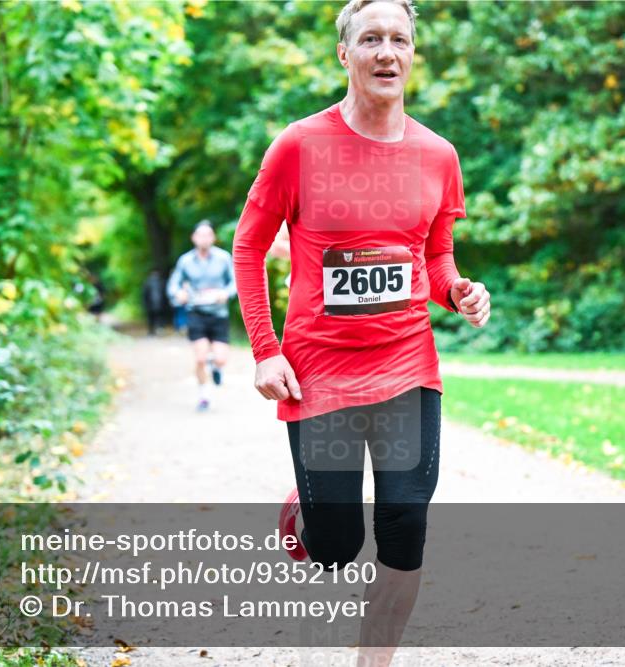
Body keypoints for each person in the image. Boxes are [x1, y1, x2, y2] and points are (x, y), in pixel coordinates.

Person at [232, 1, 490, 665]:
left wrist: (457, 290)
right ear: (343, 53)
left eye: (398, 39)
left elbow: (433, 258)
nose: (386, 52)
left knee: (405, 523)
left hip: (408, 366)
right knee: (337, 546)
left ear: (412, 54)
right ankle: (311, 515)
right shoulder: (298, 146)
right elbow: (249, 245)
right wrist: (266, 351)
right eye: (370, 38)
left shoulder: (438, 154)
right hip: (320, 374)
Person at [167, 220, 237, 412]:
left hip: (218, 313)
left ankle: (216, 368)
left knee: (221, 359)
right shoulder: (185, 261)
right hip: (195, 312)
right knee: (200, 358)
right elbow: (173, 285)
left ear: (213, 237)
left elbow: (235, 282)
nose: (204, 238)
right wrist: (177, 295)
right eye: (200, 235)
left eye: (208, 235)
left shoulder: (223, 258)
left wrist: (226, 294)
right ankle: (204, 395)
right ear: (194, 238)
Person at [141, 268, 166, 335]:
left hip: (150, 305)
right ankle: (159, 329)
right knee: (159, 317)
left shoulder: (147, 282)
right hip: (160, 304)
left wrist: (145, 304)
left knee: (151, 318)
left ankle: (151, 331)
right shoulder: (162, 282)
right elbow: (164, 294)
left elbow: (144, 295)